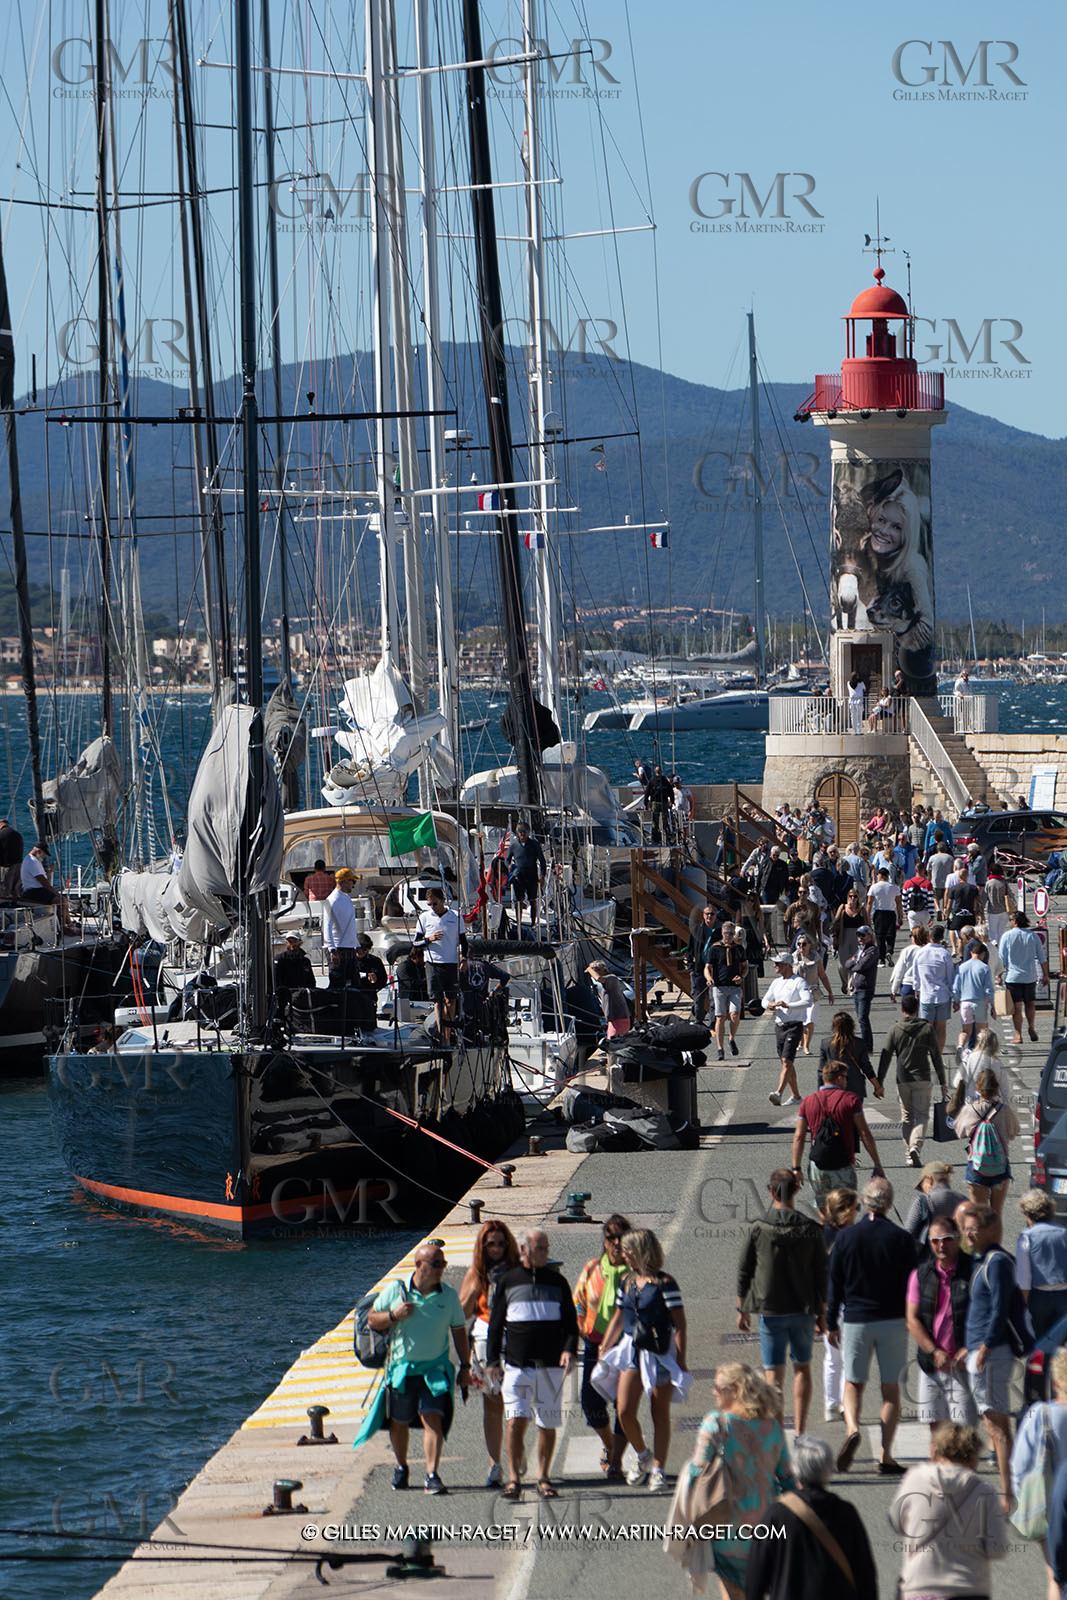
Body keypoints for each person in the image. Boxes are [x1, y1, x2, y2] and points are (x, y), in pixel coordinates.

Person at [668, 1364, 795, 1600]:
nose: (713, 1392)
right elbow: (787, 1478)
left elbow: (698, 1470)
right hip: (766, 1526)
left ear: (735, 1390)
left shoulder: (716, 1423)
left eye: (718, 1387)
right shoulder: (773, 1427)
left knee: (732, 1591)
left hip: (727, 1522)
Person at [826, 1176, 915, 1475]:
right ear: (889, 1203)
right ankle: (885, 1456)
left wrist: (830, 1322)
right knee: (890, 1390)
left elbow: (834, 1284)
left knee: (853, 1383)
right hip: (893, 1320)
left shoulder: (846, 1238)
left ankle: (852, 1427)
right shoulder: (902, 1239)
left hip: (856, 1320)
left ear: (864, 1202)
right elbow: (913, 1283)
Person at [367, 1239, 471, 1494]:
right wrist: (393, 1315)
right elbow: (372, 1320)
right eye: (435, 1264)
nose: (440, 1268)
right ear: (418, 1265)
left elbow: (459, 1332)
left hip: (434, 1370)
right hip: (402, 1371)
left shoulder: (447, 1296)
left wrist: (466, 1367)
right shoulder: (396, 1291)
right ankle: (402, 1466)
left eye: (443, 1263)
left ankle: (432, 1474)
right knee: (399, 1422)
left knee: (433, 1419)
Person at [485, 1227, 578, 1501]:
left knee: (547, 1423)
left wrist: (569, 1350)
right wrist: (492, 1361)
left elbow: (571, 1324)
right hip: (516, 1366)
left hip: (550, 1367)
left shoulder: (558, 1282)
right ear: (524, 1251)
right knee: (515, 1421)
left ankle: (543, 1477)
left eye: (546, 1248)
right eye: (540, 1248)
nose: (545, 1253)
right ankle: (514, 1479)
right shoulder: (508, 1281)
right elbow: (495, 1325)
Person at [595, 1228, 689, 1492]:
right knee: (624, 1410)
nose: (624, 1253)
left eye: (628, 1249)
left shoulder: (665, 1283)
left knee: (659, 1414)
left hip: (659, 1354)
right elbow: (618, 1315)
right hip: (632, 1352)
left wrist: (681, 1360)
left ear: (640, 1251)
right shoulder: (626, 1281)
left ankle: (658, 1469)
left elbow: (680, 1324)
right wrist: (605, 1344)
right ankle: (642, 1454)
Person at [736, 1169, 827, 1437]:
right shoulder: (811, 1229)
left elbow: (745, 1269)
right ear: (796, 1191)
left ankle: (776, 1435)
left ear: (771, 1191)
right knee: (802, 1367)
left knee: (773, 1377)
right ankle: (799, 1431)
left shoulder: (758, 1228)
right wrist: (822, 1314)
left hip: (770, 1308)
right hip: (802, 1308)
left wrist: (742, 1308)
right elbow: (821, 1272)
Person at [743, 1433, 878, 1600]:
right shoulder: (846, 1512)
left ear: (795, 1469)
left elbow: (756, 1573)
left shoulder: (777, 1514)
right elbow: (865, 1574)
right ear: (828, 1469)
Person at [888, 1422, 1008, 1599]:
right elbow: (996, 1548)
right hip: (968, 1588)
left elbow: (896, 1522)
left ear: (936, 1450)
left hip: (919, 1587)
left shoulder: (915, 1478)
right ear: (973, 1457)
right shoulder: (984, 1491)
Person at [960, 1206, 1022, 1509]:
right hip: (982, 1350)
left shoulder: (996, 1262)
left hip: (992, 1353)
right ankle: (1009, 1490)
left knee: (995, 1424)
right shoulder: (983, 1260)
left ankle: (1008, 1494)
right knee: (993, 1422)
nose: (968, 1234)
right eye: (966, 1229)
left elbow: (999, 1310)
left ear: (990, 1229)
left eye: (973, 1228)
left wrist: (983, 1346)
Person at [460, 1219, 520, 1488]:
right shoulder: (476, 1272)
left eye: (500, 1243)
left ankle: (515, 1462)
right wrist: (474, 1289)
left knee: (516, 1405)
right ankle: (495, 1464)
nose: (496, 1249)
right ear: (482, 1247)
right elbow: (461, 1313)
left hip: (516, 1337)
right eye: (490, 1244)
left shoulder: (518, 1268)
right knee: (493, 1405)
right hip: (485, 1340)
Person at [572, 1213, 632, 1482]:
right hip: (595, 1344)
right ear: (604, 1241)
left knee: (624, 1406)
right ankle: (608, 1444)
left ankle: (616, 1461)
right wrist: (581, 1329)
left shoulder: (636, 1271)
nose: (616, 1243)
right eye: (611, 1238)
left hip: (627, 1346)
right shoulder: (592, 1268)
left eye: (622, 1237)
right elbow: (578, 1302)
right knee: (590, 1401)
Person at [905, 1215, 977, 1437]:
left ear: (958, 1239)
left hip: (962, 1367)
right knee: (936, 1437)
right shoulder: (921, 1274)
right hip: (931, 1366)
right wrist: (934, 1352)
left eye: (946, 1239)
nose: (941, 1245)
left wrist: (969, 1349)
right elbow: (912, 1319)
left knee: (963, 1438)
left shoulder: (973, 1271)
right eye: (935, 1240)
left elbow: (986, 1317)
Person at [792, 1059, 884, 1213]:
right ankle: (843, 1237)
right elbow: (864, 1133)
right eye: (846, 1077)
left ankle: (827, 1235)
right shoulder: (851, 1100)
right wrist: (877, 1163)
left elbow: (799, 1137)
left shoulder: (808, 1102)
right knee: (845, 1211)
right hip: (843, 1164)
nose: (847, 1081)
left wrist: (796, 1168)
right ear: (839, 1078)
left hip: (817, 1165)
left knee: (824, 1211)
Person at [1012, 1346, 1067, 1600]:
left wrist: (1024, 1500)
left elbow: (1020, 1466)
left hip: (1048, 1507)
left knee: (1055, 1577)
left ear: (1055, 1381)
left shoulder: (1039, 1415)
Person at [877, 993, 948, 1168]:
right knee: (922, 1116)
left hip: (902, 1078)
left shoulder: (895, 1029)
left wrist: (879, 1082)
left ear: (902, 1010)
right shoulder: (926, 1028)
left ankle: (909, 1153)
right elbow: (936, 1056)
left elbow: (885, 1056)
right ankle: (916, 1146)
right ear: (917, 1009)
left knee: (907, 1117)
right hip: (922, 1077)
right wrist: (943, 1082)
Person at [954, 1067, 1021, 1218]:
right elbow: (1014, 1131)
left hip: (977, 1165)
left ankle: (980, 1241)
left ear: (978, 1088)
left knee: (978, 1216)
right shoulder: (1004, 1110)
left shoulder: (970, 1110)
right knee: (996, 1215)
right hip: (1000, 1165)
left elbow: (959, 1132)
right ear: (996, 1088)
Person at [820, 1187, 858, 1422]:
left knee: (832, 1356)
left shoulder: (822, 1235)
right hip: (847, 1302)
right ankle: (845, 1403)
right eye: (855, 1209)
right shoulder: (851, 1236)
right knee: (848, 1356)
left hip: (828, 1303)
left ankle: (831, 1404)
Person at [1016, 1189, 1067, 1342]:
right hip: (1065, 1294)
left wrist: (1021, 1307)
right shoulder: (1064, 1232)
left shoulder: (1027, 1237)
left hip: (1040, 1297)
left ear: (1027, 1215)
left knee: (1041, 1342)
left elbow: (1024, 1277)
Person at [763, 952, 812, 1107]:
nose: (774, 966)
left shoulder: (799, 982)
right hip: (779, 1026)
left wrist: (788, 1005)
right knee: (787, 1063)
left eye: (777, 963)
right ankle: (796, 1096)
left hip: (794, 1026)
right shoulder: (776, 983)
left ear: (786, 965)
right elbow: (765, 999)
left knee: (786, 1061)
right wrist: (769, 1005)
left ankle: (778, 1092)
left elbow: (808, 1001)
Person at [414, 886, 462, 1042]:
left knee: (451, 1000)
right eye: (429, 904)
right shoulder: (424, 918)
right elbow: (416, 943)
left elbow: (464, 941)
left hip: (451, 962)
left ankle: (448, 1034)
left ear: (442, 901)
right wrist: (430, 939)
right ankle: (442, 1037)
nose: (432, 907)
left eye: (435, 904)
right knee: (437, 1000)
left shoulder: (455, 916)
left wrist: (464, 959)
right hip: (433, 963)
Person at [1000, 909, 1049, 1045]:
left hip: (1013, 977)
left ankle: (1018, 1035)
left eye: (1010, 920)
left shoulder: (1007, 936)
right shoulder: (1033, 936)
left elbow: (1002, 958)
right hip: (1030, 976)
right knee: (1030, 1003)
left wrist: (999, 975)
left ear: (1014, 921)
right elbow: (1041, 957)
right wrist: (1045, 975)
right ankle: (1031, 1027)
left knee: (1016, 1007)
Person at [817, 1009, 883, 1102]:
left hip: (833, 1088)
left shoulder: (826, 1044)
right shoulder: (860, 1044)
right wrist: (877, 1086)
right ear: (852, 1026)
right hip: (855, 1088)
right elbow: (867, 1068)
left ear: (834, 1026)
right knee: (854, 1115)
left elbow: (821, 1071)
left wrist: (820, 1091)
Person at [903, 1161, 968, 1252]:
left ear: (929, 1179)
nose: (923, 1191)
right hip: (958, 1255)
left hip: (930, 1256)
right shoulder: (964, 1201)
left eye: (922, 1186)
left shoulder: (923, 1201)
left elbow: (908, 1234)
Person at [706, 920, 748, 1061]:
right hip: (719, 987)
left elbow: (745, 966)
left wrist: (741, 976)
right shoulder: (715, 948)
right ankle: (720, 1048)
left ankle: (731, 1038)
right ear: (722, 933)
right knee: (720, 1017)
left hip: (734, 987)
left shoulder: (738, 949)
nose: (728, 936)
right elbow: (707, 967)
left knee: (735, 1015)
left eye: (731, 933)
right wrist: (709, 978)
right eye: (726, 933)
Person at [912, 923, 956, 1051]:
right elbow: (950, 977)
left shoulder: (920, 953)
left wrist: (917, 990)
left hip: (926, 995)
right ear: (942, 937)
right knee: (941, 1028)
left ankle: (925, 1052)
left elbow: (916, 975)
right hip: (942, 996)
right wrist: (955, 997)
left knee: (926, 1028)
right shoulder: (944, 954)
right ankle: (938, 1052)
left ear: (929, 936)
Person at [790, 932, 832, 1057]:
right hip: (797, 993)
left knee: (810, 1020)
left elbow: (823, 976)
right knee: (799, 1019)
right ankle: (800, 1041)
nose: (801, 947)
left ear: (810, 945)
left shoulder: (816, 958)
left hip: (812, 992)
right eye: (799, 944)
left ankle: (806, 1046)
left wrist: (830, 992)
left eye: (803, 944)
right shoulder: (793, 958)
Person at [20, 843, 77, 933]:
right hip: (34, 891)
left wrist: (50, 871)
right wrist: (56, 893)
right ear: (39, 851)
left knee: (63, 900)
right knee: (61, 901)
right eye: (44, 855)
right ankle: (63, 928)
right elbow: (43, 882)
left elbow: (41, 877)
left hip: (36, 889)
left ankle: (68, 924)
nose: (44, 857)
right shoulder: (32, 862)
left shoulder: (32, 860)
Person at [952, 939, 995, 1051]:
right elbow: (989, 989)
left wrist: (956, 1001)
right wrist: (993, 1005)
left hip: (965, 1002)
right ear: (983, 954)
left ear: (971, 952)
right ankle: (978, 1052)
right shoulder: (984, 968)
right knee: (981, 1032)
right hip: (979, 1002)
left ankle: (961, 1045)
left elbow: (956, 987)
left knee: (966, 1030)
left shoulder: (961, 967)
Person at [844, 924, 878, 1051]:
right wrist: (854, 962)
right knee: (860, 1017)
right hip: (856, 987)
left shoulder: (872, 950)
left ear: (870, 936)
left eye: (863, 935)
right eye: (858, 935)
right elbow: (847, 963)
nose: (860, 938)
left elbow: (862, 966)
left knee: (863, 1018)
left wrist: (855, 963)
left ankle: (868, 1046)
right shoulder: (860, 950)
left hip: (865, 988)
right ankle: (866, 1044)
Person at [504, 823, 547, 925]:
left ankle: (533, 923)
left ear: (528, 833)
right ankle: (519, 923)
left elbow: (542, 861)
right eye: (520, 832)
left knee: (532, 900)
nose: (522, 834)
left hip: (532, 877)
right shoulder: (513, 845)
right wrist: (509, 866)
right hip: (519, 878)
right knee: (519, 901)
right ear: (517, 833)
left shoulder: (535, 844)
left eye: (524, 832)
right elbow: (507, 859)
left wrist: (542, 875)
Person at [323, 866, 359, 982]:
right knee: (338, 983)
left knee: (354, 982)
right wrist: (332, 950)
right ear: (344, 882)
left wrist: (356, 945)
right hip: (338, 948)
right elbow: (327, 926)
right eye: (352, 881)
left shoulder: (347, 898)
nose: (353, 885)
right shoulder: (332, 900)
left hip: (349, 948)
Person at [689, 903, 722, 1027]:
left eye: (712, 914)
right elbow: (690, 949)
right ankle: (698, 1022)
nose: (709, 916)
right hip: (698, 968)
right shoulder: (696, 929)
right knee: (698, 997)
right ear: (703, 915)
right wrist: (690, 967)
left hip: (715, 969)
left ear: (716, 916)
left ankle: (713, 1024)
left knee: (714, 998)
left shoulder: (720, 931)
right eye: (707, 914)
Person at [831, 883, 865, 994]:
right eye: (850, 896)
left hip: (857, 938)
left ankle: (851, 985)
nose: (852, 898)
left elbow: (867, 925)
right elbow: (836, 924)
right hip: (843, 936)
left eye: (855, 896)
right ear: (847, 897)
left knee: (855, 962)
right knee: (842, 964)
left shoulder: (861, 910)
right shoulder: (843, 908)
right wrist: (835, 937)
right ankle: (845, 982)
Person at [944, 863, 983, 957]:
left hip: (958, 915)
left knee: (961, 938)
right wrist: (980, 914)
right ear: (967, 877)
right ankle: (970, 955)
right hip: (970, 915)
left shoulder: (954, 888)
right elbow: (978, 902)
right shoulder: (973, 888)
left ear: (959, 876)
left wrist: (947, 914)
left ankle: (962, 957)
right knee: (971, 937)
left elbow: (949, 904)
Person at [866, 865, 902, 965]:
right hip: (891, 913)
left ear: (880, 875)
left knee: (880, 936)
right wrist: (900, 916)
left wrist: (867, 916)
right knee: (891, 935)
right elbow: (899, 903)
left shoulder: (874, 887)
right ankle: (889, 951)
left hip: (879, 912)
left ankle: (881, 958)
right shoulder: (894, 887)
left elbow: (869, 902)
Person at [586, 959, 631, 1039]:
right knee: (612, 1042)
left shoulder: (612, 978)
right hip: (613, 1019)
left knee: (614, 1042)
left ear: (603, 970)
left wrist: (589, 969)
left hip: (619, 1018)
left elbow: (598, 978)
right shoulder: (604, 983)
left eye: (596, 971)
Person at [890, 922, 929, 1001]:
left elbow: (899, 971)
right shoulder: (928, 951)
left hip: (908, 984)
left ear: (914, 937)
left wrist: (894, 990)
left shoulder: (907, 950)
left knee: (909, 1012)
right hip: (924, 985)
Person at [983, 862, 1016, 948]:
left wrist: (981, 909)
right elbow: (1011, 894)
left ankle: (994, 944)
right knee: (1001, 930)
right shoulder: (1004, 882)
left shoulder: (989, 883)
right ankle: (1001, 945)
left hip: (993, 910)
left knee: (992, 931)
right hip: (1004, 910)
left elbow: (984, 898)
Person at [645, 765, 675, 845]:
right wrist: (672, 801)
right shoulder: (665, 781)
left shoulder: (652, 781)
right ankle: (665, 836)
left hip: (655, 803)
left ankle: (655, 838)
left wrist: (646, 803)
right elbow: (671, 792)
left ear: (655, 772)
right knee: (664, 820)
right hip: (664, 803)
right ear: (661, 772)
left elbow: (647, 793)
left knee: (655, 821)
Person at [901, 861, 935, 930]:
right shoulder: (927, 884)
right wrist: (932, 916)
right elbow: (930, 901)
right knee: (925, 934)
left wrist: (906, 912)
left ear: (915, 870)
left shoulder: (908, 883)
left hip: (912, 911)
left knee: (914, 933)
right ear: (923, 870)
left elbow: (904, 899)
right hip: (924, 912)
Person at [0, 816, 23, 898]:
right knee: (16, 891)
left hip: (6, 867)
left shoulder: (1, 834)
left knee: (4, 891)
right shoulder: (17, 834)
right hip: (18, 866)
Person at [846, 672, 865, 737]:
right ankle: (859, 730)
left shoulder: (848, 683)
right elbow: (864, 689)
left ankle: (854, 730)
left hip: (852, 700)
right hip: (859, 700)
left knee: (853, 716)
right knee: (859, 716)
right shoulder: (861, 683)